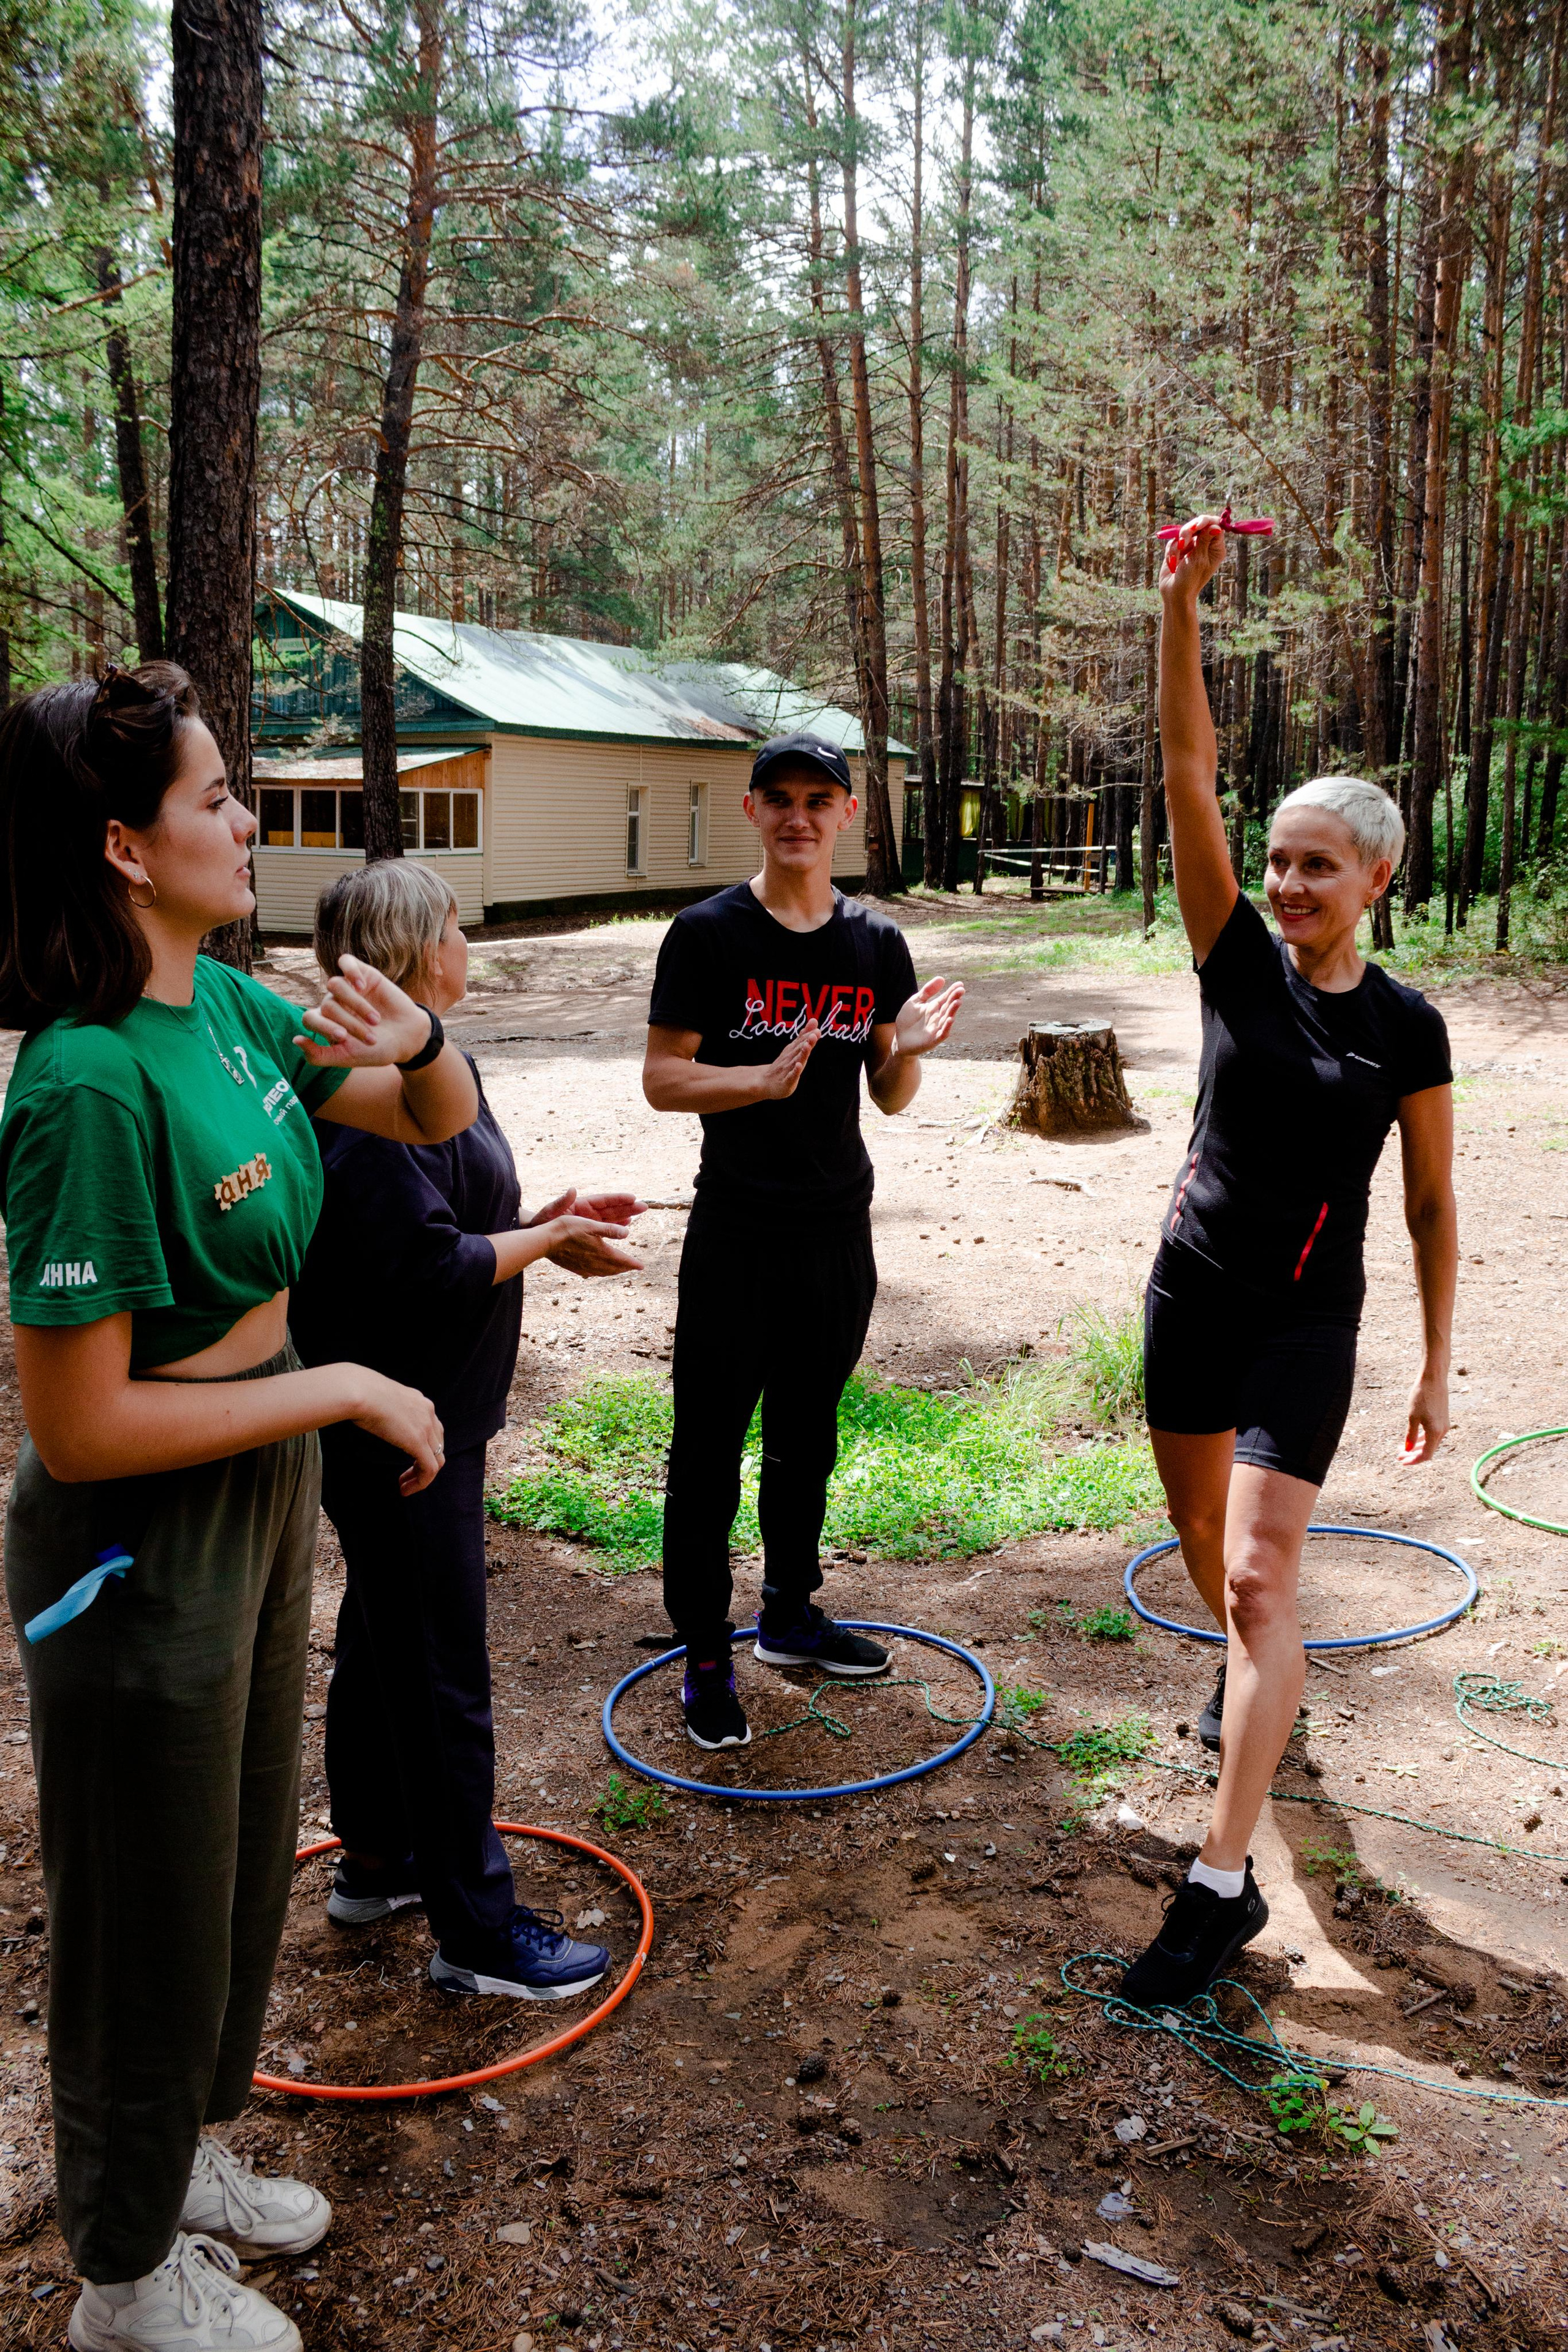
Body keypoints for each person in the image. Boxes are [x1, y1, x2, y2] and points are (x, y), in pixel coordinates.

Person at [0, 664, 478, 2352]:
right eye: (218, 801)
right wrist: (345, 1386)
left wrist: (423, 1035)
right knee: (143, 1902)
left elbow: (432, 1117)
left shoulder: (224, 1003)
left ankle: (178, 2166)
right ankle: (120, 2284)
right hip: (142, 1533)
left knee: (228, 1870)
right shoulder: (81, 1083)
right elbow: (79, 1423)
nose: (248, 824)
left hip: (254, 1485)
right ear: (126, 847)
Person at [1120, 518, 1457, 2009]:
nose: (1284, 884)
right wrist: (1180, 609)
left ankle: (1216, 1886)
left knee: (1262, 1578)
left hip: (1304, 1323)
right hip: (1188, 1292)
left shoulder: (1408, 1029)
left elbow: (1430, 1204)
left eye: (1314, 866)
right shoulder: (1230, 958)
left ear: (1373, 875)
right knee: (1204, 1552)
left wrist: (1438, 1362)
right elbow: (1185, 771)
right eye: (1273, 862)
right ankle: (1250, 1693)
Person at [290, 861, 645, 1997]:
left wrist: (544, 1221)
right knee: (439, 1666)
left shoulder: (438, 1060)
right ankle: (478, 1931)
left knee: (387, 1640)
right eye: (451, 923)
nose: (466, 938)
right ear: (411, 948)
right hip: (402, 1430)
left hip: (440, 1412)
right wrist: (542, 1246)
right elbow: (428, 1269)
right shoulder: (357, 1094)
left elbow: (465, 1217)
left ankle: (380, 1861)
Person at [643, 731, 964, 1749]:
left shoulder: (874, 942)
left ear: (846, 816)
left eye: (818, 800)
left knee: (806, 1437)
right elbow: (662, 1078)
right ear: (752, 812)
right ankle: (704, 1648)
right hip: (736, 1228)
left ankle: (788, 1613)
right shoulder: (707, 934)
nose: (798, 816)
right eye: (778, 798)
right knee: (707, 1447)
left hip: (837, 1230)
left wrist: (905, 1050)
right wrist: (755, 1082)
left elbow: (890, 1093)